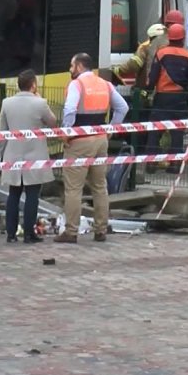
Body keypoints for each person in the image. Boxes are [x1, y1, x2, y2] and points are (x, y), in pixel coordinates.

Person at [57, 53, 129, 244]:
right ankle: (101, 230)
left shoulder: (77, 84)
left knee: (73, 188)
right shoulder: (104, 84)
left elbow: (70, 110)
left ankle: (71, 232)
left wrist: (66, 133)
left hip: (79, 141)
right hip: (100, 140)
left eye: (72, 66)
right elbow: (123, 108)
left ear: (79, 66)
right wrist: (111, 129)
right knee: (100, 186)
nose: (70, 69)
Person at [0, 69, 57, 244]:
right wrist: (38, 98)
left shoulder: (7, 103)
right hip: (35, 154)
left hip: (13, 154)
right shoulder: (40, 103)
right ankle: (29, 232)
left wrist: (0, 155)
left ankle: (11, 233)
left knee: (13, 194)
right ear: (33, 85)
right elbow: (52, 122)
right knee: (32, 195)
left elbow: (2, 133)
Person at [145, 23, 188, 173]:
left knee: (155, 130)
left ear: (169, 38)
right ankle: (175, 165)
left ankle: (151, 164)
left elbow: (153, 76)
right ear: (182, 39)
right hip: (180, 99)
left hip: (162, 97)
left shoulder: (161, 53)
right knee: (177, 132)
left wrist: (148, 90)